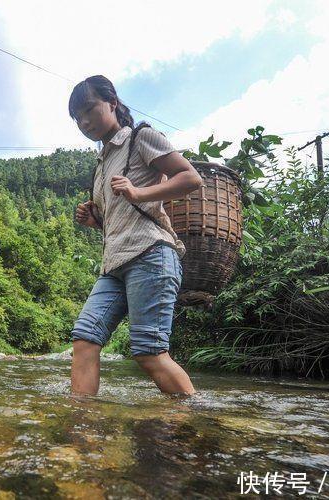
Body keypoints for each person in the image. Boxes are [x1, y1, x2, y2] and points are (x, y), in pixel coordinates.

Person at [68, 75, 202, 396]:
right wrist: (95, 221)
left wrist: (139, 192)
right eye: (77, 118)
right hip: (114, 265)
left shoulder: (140, 137)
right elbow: (118, 219)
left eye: (89, 110)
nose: (84, 122)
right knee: (84, 340)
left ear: (112, 103)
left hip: (151, 254)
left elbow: (191, 178)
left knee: (149, 351)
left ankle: (195, 414)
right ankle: (81, 420)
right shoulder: (101, 164)